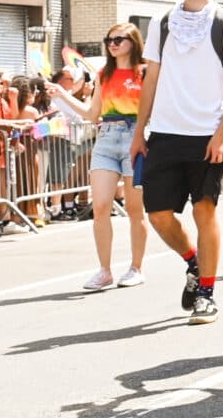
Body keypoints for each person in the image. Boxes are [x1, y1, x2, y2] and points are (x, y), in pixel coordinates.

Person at [132, 0, 223, 325]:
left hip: (207, 135)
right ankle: (193, 263)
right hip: (164, 131)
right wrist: (139, 131)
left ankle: (207, 293)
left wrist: (222, 134)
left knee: (204, 210)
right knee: (159, 215)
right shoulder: (161, 21)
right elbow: (151, 79)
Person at [50, 28, 149, 288]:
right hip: (106, 138)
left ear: (133, 42)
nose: (113, 45)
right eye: (109, 40)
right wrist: (63, 95)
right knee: (101, 206)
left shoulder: (146, 72)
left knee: (134, 209)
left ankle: (136, 267)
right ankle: (105, 270)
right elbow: (92, 114)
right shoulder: (104, 75)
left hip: (135, 137)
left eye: (119, 40)